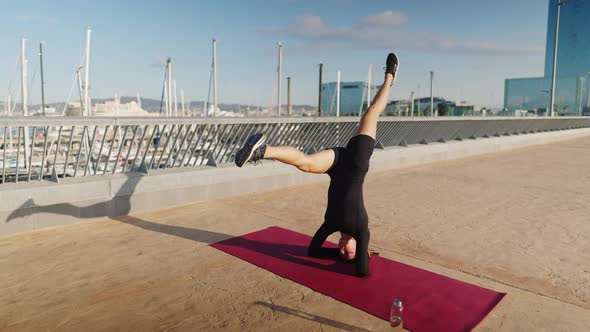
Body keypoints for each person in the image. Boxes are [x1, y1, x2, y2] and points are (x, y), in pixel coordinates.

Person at [234, 53, 399, 277]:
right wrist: (355, 257)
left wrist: (336, 257)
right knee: (371, 112)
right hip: (358, 161)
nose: (341, 249)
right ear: (360, 249)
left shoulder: (330, 224)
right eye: (346, 251)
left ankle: (262, 150)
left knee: (306, 163)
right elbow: (362, 272)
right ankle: (390, 75)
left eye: (339, 252)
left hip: (338, 164)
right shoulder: (362, 230)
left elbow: (313, 250)